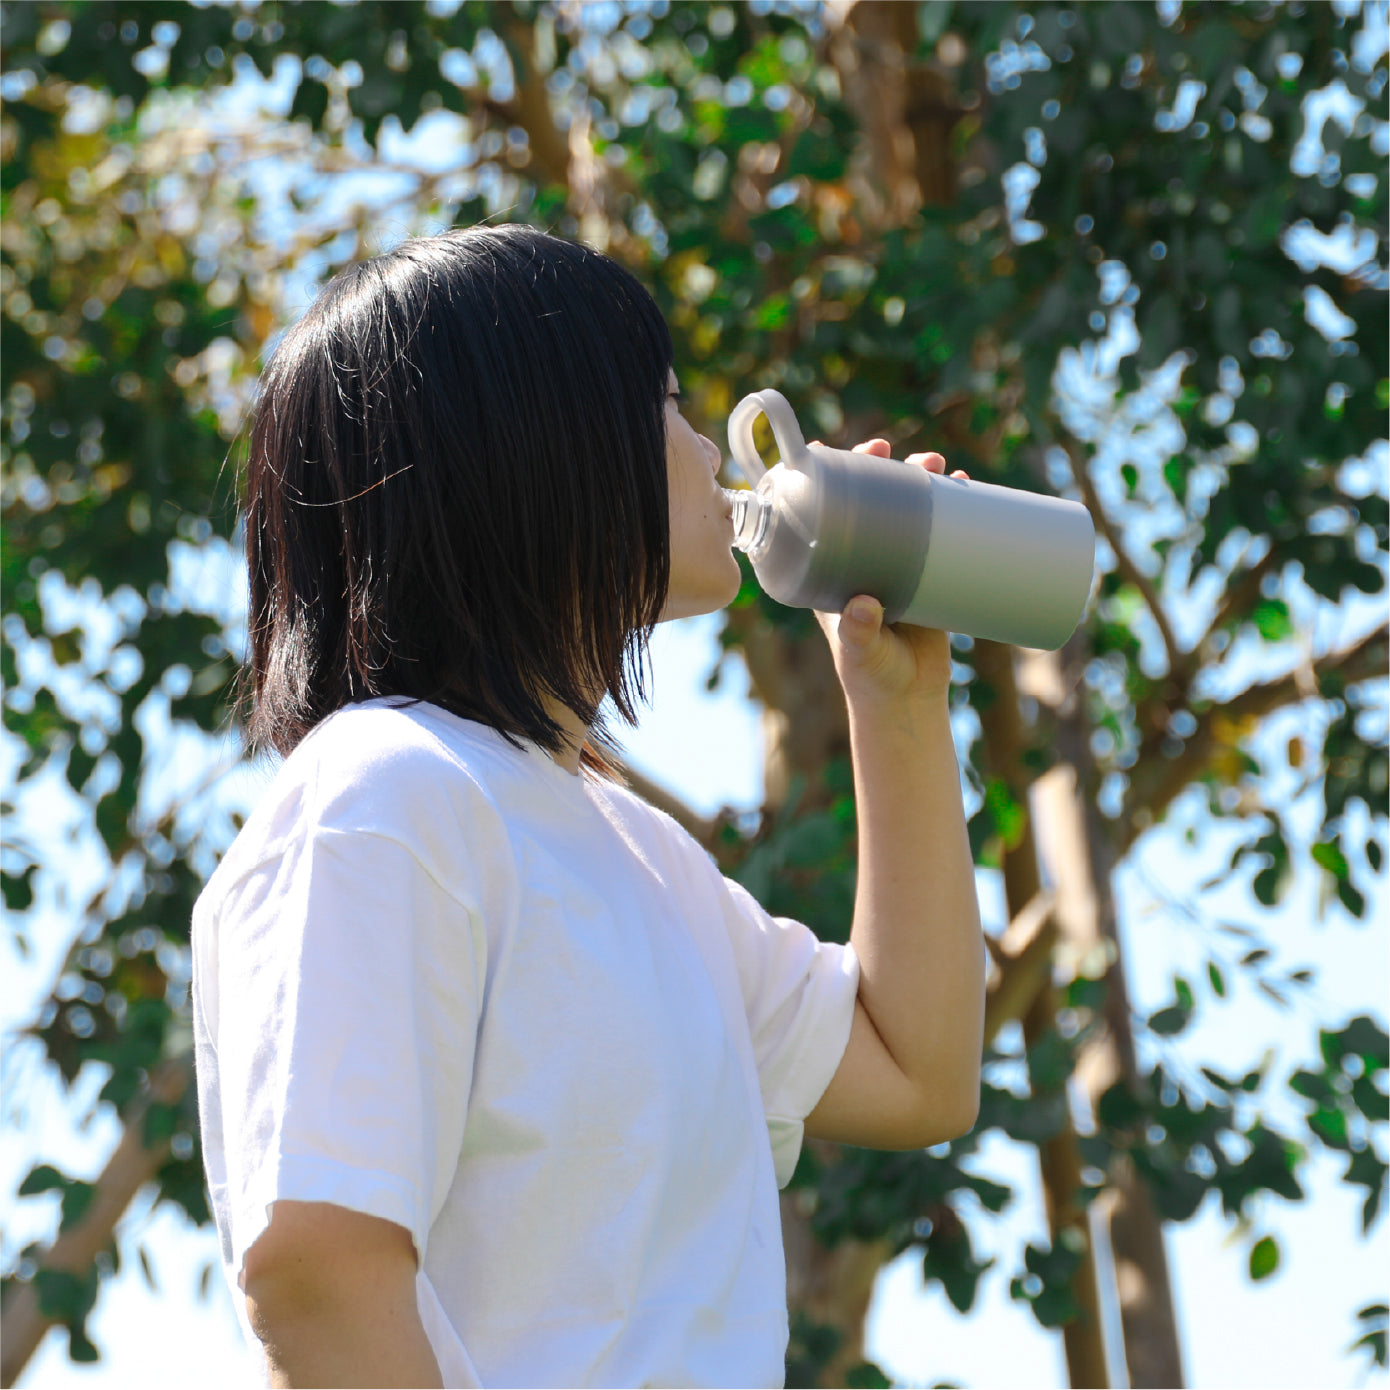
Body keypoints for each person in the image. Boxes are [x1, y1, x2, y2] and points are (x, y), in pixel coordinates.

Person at [192, 223, 985, 1389]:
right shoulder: (384, 792)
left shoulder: (635, 854)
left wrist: (898, 705)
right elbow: (314, 1266)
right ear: (536, 448)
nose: (710, 446)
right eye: (668, 404)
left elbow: (916, 1073)